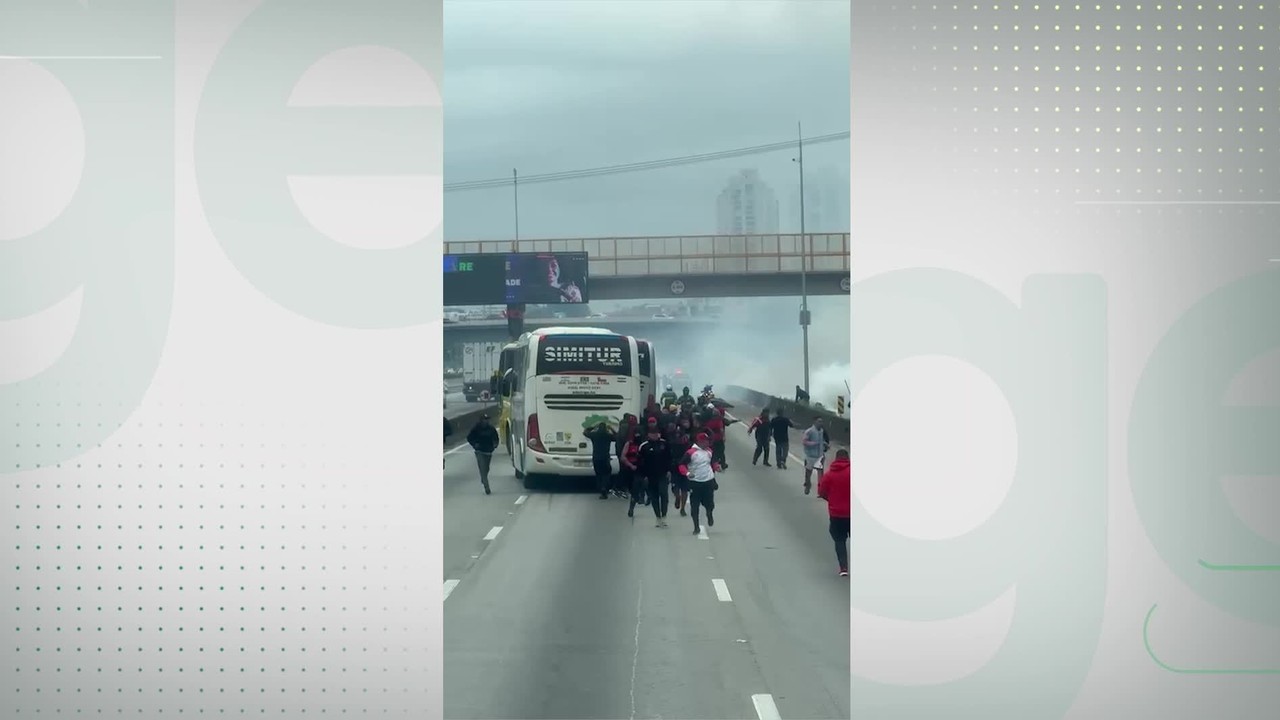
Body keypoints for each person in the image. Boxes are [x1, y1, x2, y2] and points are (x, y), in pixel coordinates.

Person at [817, 448, 852, 576]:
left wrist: (830, 499)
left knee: (839, 540)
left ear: (836, 459)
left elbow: (821, 492)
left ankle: (843, 568)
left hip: (836, 514)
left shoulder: (829, 475)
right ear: (848, 458)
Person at [680, 432, 721, 535]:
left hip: (708, 481)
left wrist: (716, 466)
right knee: (695, 506)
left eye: (708, 441)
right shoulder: (690, 453)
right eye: (705, 441)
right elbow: (681, 465)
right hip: (695, 483)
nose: (707, 443)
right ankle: (696, 527)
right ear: (699, 442)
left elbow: (713, 462)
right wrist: (687, 473)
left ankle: (709, 513)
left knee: (710, 504)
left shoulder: (709, 451)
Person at [636, 419, 673, 527]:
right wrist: (643, 476)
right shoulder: (644, 446)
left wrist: (670, 470)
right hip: (650, 476)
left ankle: (664, 515)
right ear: (648, 435)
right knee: (654, 497)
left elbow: (669, 458)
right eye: (652, 434)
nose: (655, 436)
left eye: (656, 434)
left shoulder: (664, 444)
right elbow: (640, 462)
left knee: (664, 495)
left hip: (663, 474)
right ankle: (658, 517)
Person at [466, 414, 500, 495]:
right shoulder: (476, 428)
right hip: (479, 451)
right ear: (481, 420)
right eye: (484, 419)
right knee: (482, 468)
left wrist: (495, 444)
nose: (486, 421)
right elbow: (469, 437)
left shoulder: (491, 428)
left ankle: (483, 479)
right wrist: (474, 444)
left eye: (487, 419)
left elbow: (496, 438)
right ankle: (486, 487)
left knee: (487, 468)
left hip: (488, 451)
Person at [583, 420, 617, 499]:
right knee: (606, 473)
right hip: (605, 457)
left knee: (598, 474)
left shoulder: (594, 435)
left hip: (596, 457)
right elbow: (617, 436)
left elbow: (585, 432)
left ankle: (600, 488)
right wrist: (611, 429)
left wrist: (593, 427)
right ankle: (604, 487)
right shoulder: (608, 435)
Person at [667, 419, 693, 516]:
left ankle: (682, 507)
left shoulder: (676, 440)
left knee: (683, 488)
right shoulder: (674, 441)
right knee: (680, 487)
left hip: (682, 465)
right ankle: (678, 499)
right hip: (677, 465)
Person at [801, 416, 829, 495]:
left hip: (819, 456)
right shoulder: (809, 431)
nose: (821, 423)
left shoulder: (821, 431)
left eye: (821, 421)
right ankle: (808, 484)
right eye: (819, 421)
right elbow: (804, 441)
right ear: (814, 422)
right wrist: (813, 444)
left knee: (820, 473)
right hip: (810, 456)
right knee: (808, 473)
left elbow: (821, 441)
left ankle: (820, 491)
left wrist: (825, 444)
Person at [621, 428, 645, 517]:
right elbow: (623, 457)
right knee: (634, 490)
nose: (637, 436)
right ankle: (632, 507)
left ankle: (643, 497)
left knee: (645, 484)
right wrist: (630, 465)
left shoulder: (644, 445)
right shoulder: (629, 444)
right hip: (632, 469)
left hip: (643, 469)